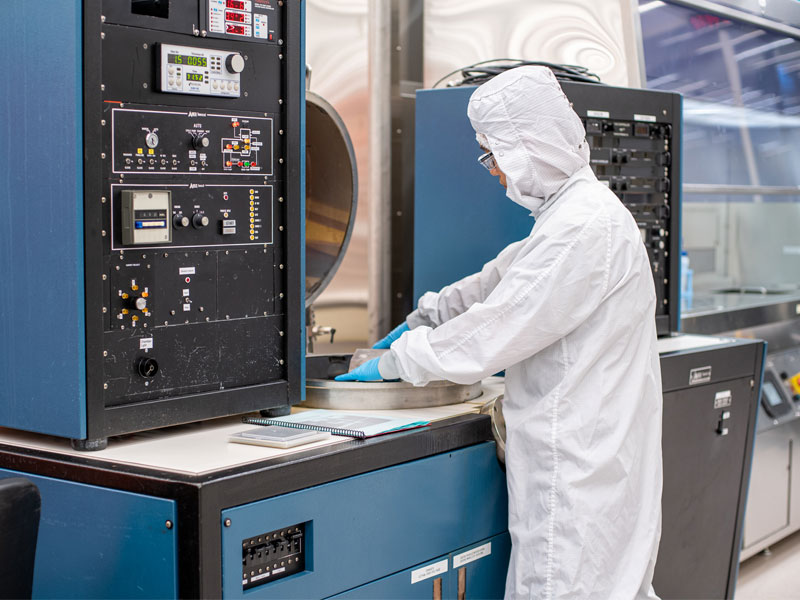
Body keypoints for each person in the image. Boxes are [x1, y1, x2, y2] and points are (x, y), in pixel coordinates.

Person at [337, 66, 662, 599]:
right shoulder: (577, 215)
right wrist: (425, 317)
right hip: (596, 463)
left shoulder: (581, 229)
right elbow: (498, 282)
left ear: (528, 147)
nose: (491, 171)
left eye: (493, 155)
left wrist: (392, 364)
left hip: (577, 477)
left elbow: (488, 336)